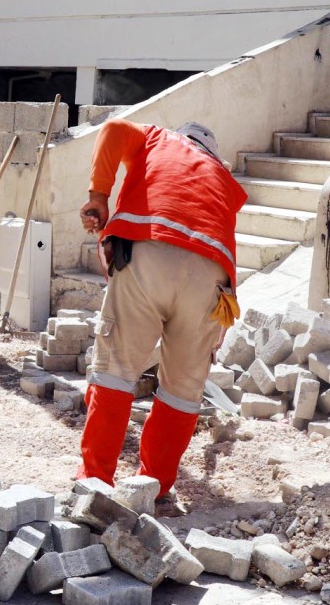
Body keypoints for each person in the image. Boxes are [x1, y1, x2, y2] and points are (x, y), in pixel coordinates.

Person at [77, 120, 246, 509]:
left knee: (116, 370)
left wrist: (99, 195)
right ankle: (154, 486)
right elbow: (224, 241)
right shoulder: (223, 178)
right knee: (183, 390)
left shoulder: (158, 138)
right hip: (213, 279)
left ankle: (96, 481)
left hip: (151, 250)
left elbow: (115, 128)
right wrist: (218, 324)